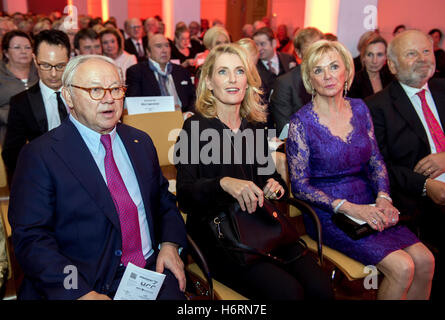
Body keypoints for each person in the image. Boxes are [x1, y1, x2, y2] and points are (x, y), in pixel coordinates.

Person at [8, 54, 187, 300]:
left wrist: (169, 244)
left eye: (115, 89)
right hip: (86, 282)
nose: (109, 99)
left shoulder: (140, 142)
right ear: (68, 96)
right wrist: (78, 291)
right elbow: (32, 240)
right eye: (95, 90)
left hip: (150, 272)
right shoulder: (41, 155)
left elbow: (164, 201)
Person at [175, 43, 333, 300]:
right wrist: (223, 183)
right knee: (288, 293)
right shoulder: (195, 128)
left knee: (320, 286)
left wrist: (275, 186)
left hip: (263, 228)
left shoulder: (256, 127)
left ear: (248, 80)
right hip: (222, 237)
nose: (233, 79)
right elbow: (185, 195)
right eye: (223, 72)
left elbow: (272, 178)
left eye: (239, 71)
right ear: (209, 82)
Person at [287, 39, 434, 300]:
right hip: (329, 213)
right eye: (318, 70)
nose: (328, 76)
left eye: (334, 66)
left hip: (370, 201)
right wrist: (349, 207)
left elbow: (376, 160)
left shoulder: (360, 107)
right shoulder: (301, 122)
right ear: (310, 78)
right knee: (402, 267)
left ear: (347, 70)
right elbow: (300, 186)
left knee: (425, 260)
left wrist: (384, 197)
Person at [366, 30, 445, 299]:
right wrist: (426, 185)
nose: (423, 59)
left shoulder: (444, 90)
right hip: (416, 201)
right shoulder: (377, 107)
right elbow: (381, 165)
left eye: (426, 51)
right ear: (392, 65)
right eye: (412, 54)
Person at [2, 29, 70, 184]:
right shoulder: (21, 103)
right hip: (41, 178)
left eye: (60, 66)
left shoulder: (82, 95)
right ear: (34, 59)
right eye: (45, 65)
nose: (53, 74)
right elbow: (11, 154)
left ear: (69, 60)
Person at [270, 27, 323, 135]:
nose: (315, 54)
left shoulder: (330, 79)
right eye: (309, 50)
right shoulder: (285, 83)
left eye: (319, 49)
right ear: (298, 53)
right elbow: (285, 129)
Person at [126, 34, 196, 114]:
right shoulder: (137, 72)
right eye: (158, 46)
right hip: (152, 120)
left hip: (183, 117)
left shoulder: (182, 71)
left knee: (195, 124)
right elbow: (133, 105)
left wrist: (190, 113)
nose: (164, 50)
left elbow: (194, 98)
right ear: (148, 52)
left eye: (167, 46)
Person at [0, 30, 38, 145]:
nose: (23, 51)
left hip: (40, 136)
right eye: (17, 47)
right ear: (6, 52)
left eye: (27, 47)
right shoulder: (1, 75)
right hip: (7, 136)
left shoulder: (40, 72)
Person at [252, 27, 296, 102]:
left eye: (262, 44)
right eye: (256, 45)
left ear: (274, 43)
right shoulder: (254, 66)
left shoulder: (288, 59)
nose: (259, 49)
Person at [349, 34, 393, 99]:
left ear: (386, 57)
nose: (374, 61)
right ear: (363, 57)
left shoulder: (390, 79)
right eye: (370, 55)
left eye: (379, 54)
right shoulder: (354, 82)